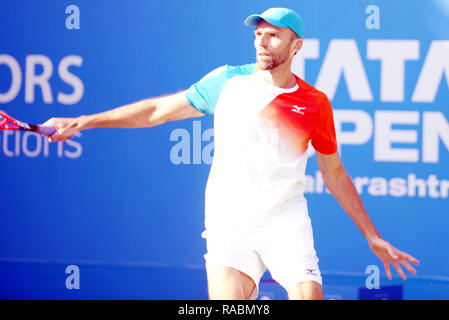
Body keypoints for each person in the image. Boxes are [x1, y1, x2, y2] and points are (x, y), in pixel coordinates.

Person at [45, 7, 419, 300]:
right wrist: (83, 120)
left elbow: (334, 173)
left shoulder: (315, 103)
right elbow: (156, 112)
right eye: (258, 34)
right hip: (229, 226)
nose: (262, 42)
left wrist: (372, 236)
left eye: (273, 35)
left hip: (285, 224)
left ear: (296, 45)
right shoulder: (226, 82)